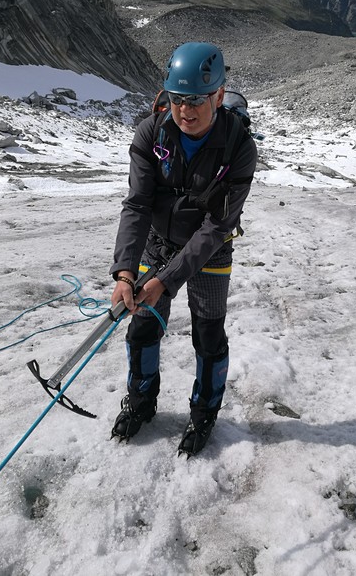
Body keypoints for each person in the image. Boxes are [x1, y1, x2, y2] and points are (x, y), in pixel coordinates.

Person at [109, 41, 258, 455]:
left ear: (218, 96)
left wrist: (164, 281)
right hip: (158, 242)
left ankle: (204, 412)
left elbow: (216, 228)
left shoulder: (239, 147)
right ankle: (141, 401)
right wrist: (125, 272)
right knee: (142, 328)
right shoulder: (151, 132)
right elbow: (137, 204)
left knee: (208, 335)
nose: (185, 110)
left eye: (195, 100)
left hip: (211, 250)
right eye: (177, 99)